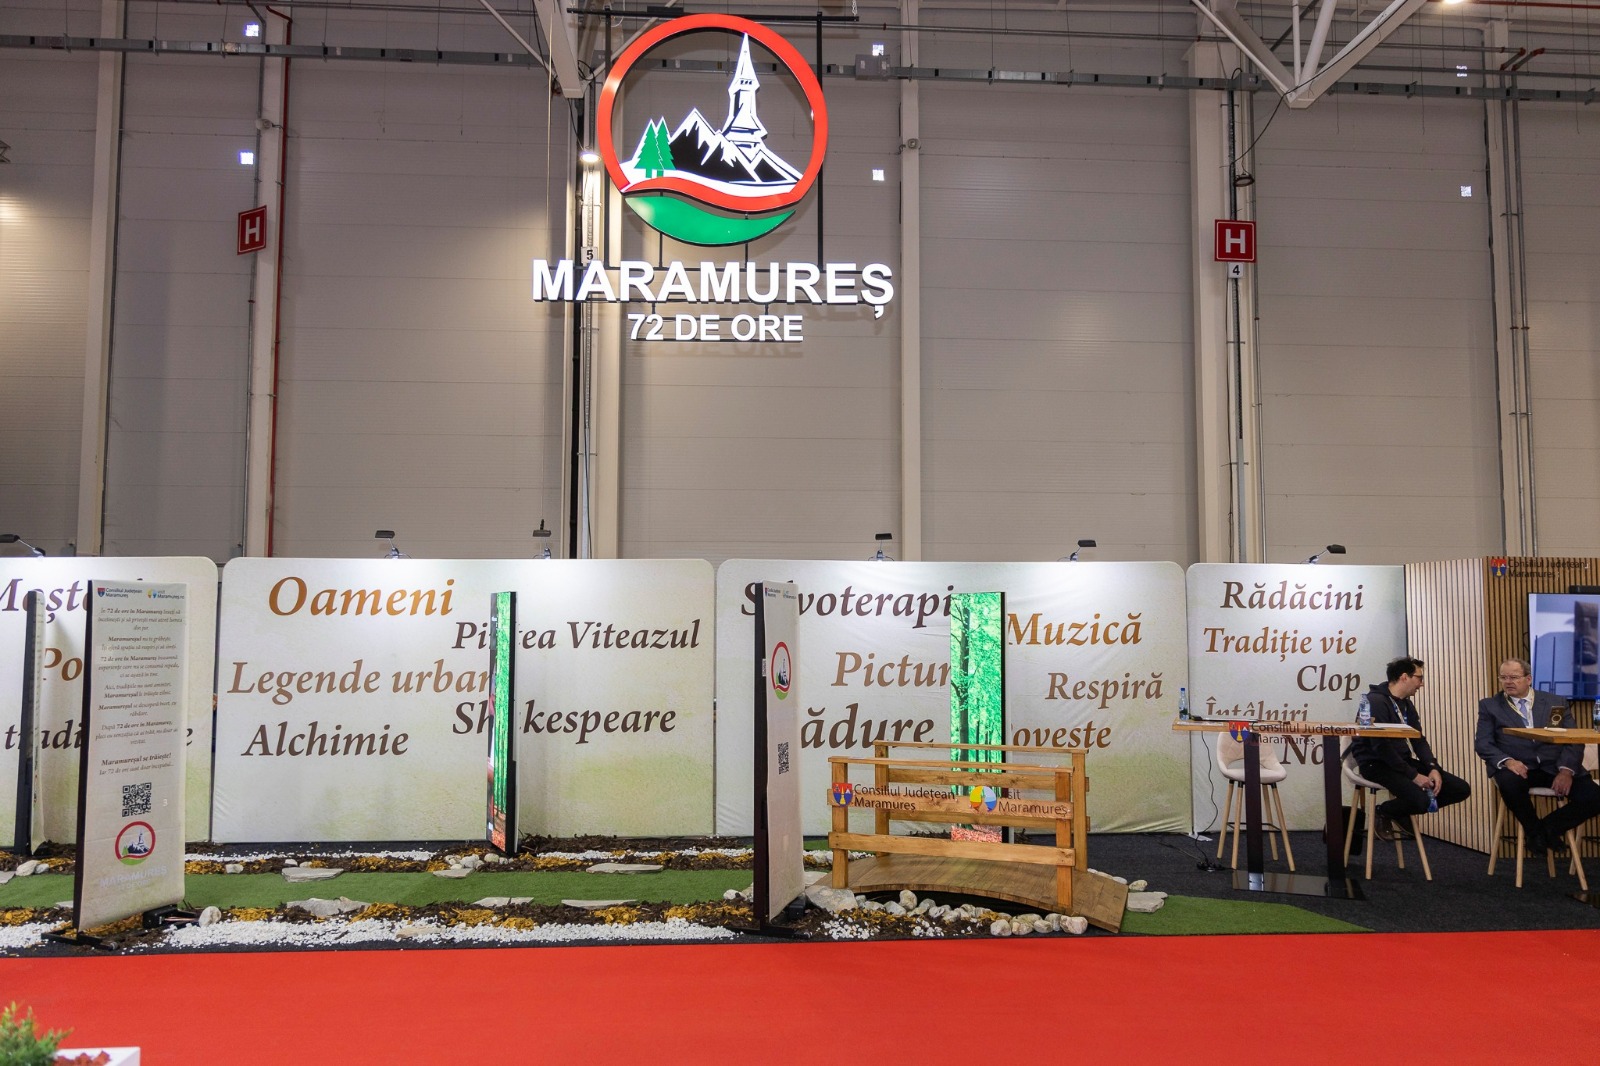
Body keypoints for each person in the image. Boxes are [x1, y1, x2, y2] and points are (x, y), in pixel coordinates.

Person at [1475, 657, 1600, 856]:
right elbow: (1483, 743)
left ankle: (1544, 831)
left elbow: (1574, 740)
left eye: (1514, 677)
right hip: (1518, 767)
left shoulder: (1555, 702)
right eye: (1503, 678)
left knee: (1594, 797)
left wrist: (1566, 771)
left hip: (1555, 766)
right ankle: (1537, 831)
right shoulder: (1490, 706)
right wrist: (1508, 761)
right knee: (1509, 783)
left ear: (1529, 679)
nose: (1508, 682)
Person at [1348, 656, 1471, 840]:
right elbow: (1380, 747)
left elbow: (1418, 740)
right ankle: (1384, 811)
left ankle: (1398, 811)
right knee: (1422, 801)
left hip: (1400, 762)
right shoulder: (1372, 702)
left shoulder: (1406, 704)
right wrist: (1414, 776)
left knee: (1460, 789)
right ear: (1404, 677)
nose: (1422, 684)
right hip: (1376, 764)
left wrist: (1433, 767)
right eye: (1419, 678)